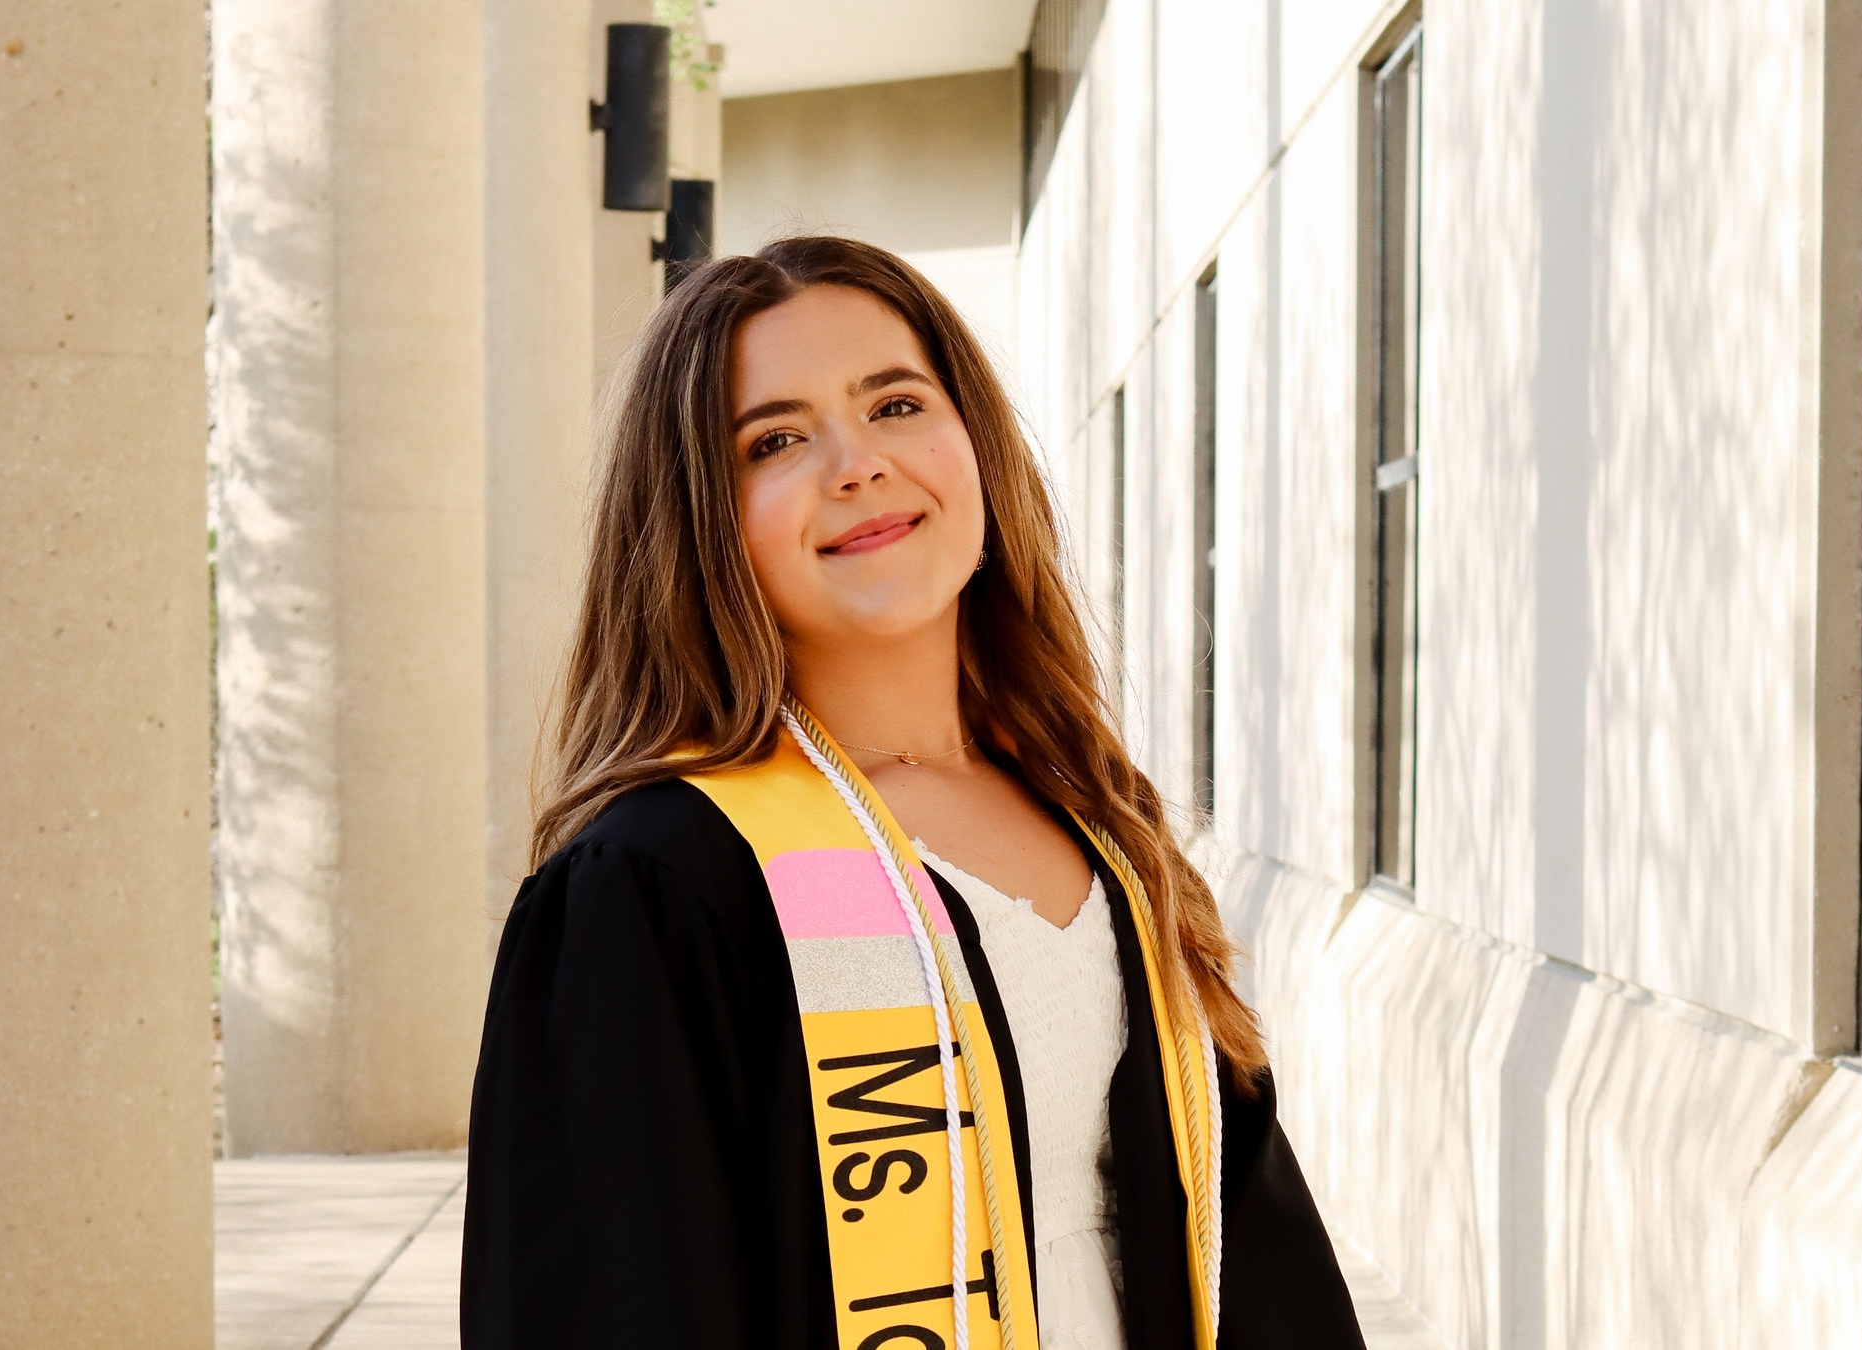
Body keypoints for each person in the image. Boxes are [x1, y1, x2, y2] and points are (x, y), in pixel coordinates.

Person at [462, 236, 1365, 1350]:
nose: (857, 463)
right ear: (702, 519)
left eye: (894, 405)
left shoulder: (1096, 819)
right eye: (776, 440)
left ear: (972, 442)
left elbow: (1251, 1241)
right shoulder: (658, 883)